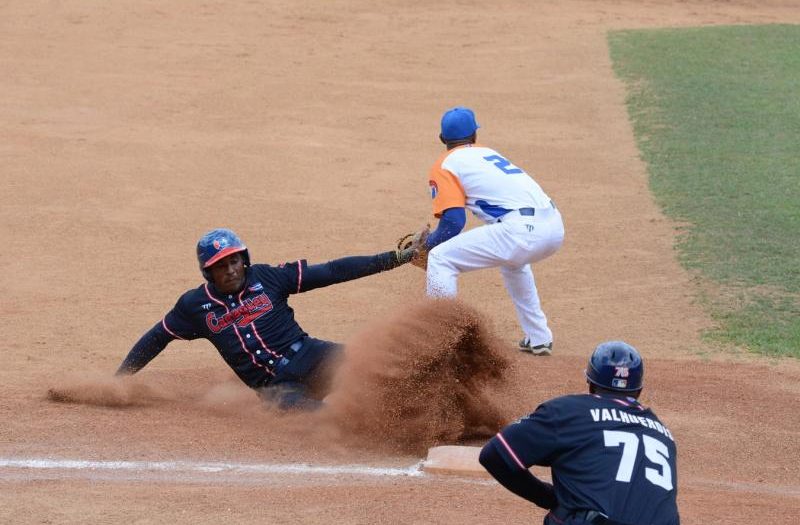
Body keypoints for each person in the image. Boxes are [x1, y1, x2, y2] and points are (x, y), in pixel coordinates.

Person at [116, 228, 422, 410]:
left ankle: (435, 402)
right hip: (276, 388)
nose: (231, 270)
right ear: (208, 272)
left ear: (244, 260)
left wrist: (395, 258)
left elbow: (333, 271)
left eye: (234, 261)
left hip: (311, 355)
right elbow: (157, 337)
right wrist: (119, 380)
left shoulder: (268, 277)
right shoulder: (194, 306)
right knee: (326, 418)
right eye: (220, 266)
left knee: (377, 369)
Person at [479, 341, 680, 525]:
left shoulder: (568, 411)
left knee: (564, 513)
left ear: (590, 382)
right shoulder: (663, 433)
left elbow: (494, 455)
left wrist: (548, 497)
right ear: (639, 390)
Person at [421, 106, 564, 356]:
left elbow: (454, 222)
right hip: (553, 227)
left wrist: (428, 244)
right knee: (514, 263)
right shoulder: (488, 154)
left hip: (520, 232)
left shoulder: (445, 164)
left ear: (442, 139)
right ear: (475, 136)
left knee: (440, 258)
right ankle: (538, 336)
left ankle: (440, 340)